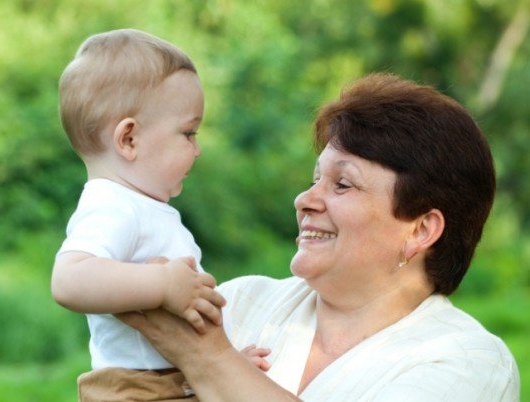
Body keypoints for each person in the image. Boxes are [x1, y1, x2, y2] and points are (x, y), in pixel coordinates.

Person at [119, 73, 521, 401]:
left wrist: (203, 355)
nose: (305, 200)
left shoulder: (469, 363)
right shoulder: (240, 303)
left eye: (342, 184)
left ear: (421, 229)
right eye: (314, 180)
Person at [50, 29, 268, 401]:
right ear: (129, 139)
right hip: (136, 390)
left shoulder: (144, 208)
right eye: (188, 133)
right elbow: (68, 281)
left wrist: (229, 365)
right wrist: (164, 285)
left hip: (172, 380)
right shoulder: (114, 206)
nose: (197, 150)